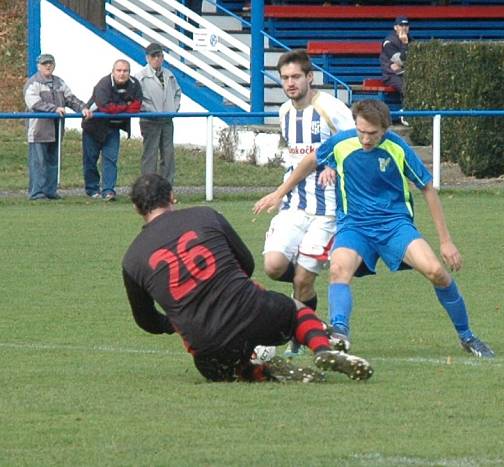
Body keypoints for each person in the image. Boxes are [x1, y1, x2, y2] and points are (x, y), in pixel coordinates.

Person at [253, 99, 495, 358]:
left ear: (385, 129)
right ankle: (340, 335)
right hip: (354, 227)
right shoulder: (341, 142)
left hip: (395, 226)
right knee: (338, 269)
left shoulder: (398, 148)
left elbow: (427, 189)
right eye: (361, 132)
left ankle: (467, 336)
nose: (365, 139)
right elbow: (310, 161)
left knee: (436, 271)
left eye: (372, 134)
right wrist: (280, 192)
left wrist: (446, 241)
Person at [122, 173, 374, 382]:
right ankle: (322, 349)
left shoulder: (132, 259)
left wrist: (175, 322)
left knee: (227, 369)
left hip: (207, 345)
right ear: (171, 196)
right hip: (249, 308)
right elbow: (247, 262)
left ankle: (259, 371)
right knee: (295, 311)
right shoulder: (205, 215)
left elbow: (146, 321)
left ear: (136, 208)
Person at [253, 49, 355, 358]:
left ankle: (299, 332)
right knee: (273, 265)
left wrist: (334, 166)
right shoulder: (284, 112)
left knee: (301, 280)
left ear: (310, 77)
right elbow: (298, 157)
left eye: (296, 76)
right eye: (285, 78)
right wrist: (283, 192)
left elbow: (355, 144)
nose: (290, 83)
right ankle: (306, 296)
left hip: (327, 209)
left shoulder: (330, 108)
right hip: (295, 203)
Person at [23, 53, 91, 201]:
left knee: (53, 161)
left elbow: (70, 99)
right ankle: (36, 193)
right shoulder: (33, 83)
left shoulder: (60, 83)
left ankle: (50, 191)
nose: (48, 66)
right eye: (45, 63)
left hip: (56, 129)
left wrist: (83, 108)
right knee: (38, 162)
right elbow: (34, 103)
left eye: (50, 63)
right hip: (38, 130)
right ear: (38, 66)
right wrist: (54, 109)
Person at [81, 59, 143, 201]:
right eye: (119, 70)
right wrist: (125, 106)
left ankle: (109, 191)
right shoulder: (103, 84)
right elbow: (105, 107)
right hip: (93, 127)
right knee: (90, 160)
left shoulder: (134, 84)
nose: (122, 74)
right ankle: (92, 189)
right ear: (113, 71)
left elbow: (137, 106)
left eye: (125, 71)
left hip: (113, 127)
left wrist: (118, 108)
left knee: (111, 159)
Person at [136, 43, 182, 184]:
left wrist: (173, 110)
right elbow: (137, 99)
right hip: (149, 121)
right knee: (150, 155)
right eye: (153, 56)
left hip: (167, 120)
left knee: (168, 155)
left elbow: (177, 93)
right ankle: (148, 188)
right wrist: (149, 111)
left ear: (163, 57)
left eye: (159, 56)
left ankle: (167, 188)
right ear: (147, 58)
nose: (156, 59)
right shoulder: (140, 77)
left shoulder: (169, 75)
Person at [380, 16, 411, 125]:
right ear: (395, 27)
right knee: (406, 88)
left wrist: (403, 65)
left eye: (406, 25)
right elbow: (400, 61)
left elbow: (414, 59)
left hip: (404, 73)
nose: (404, 28)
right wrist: (404, 44)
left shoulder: (409, 39)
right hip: (390, 75)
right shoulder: (389, 42)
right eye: (401, 25)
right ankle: (405, 114)